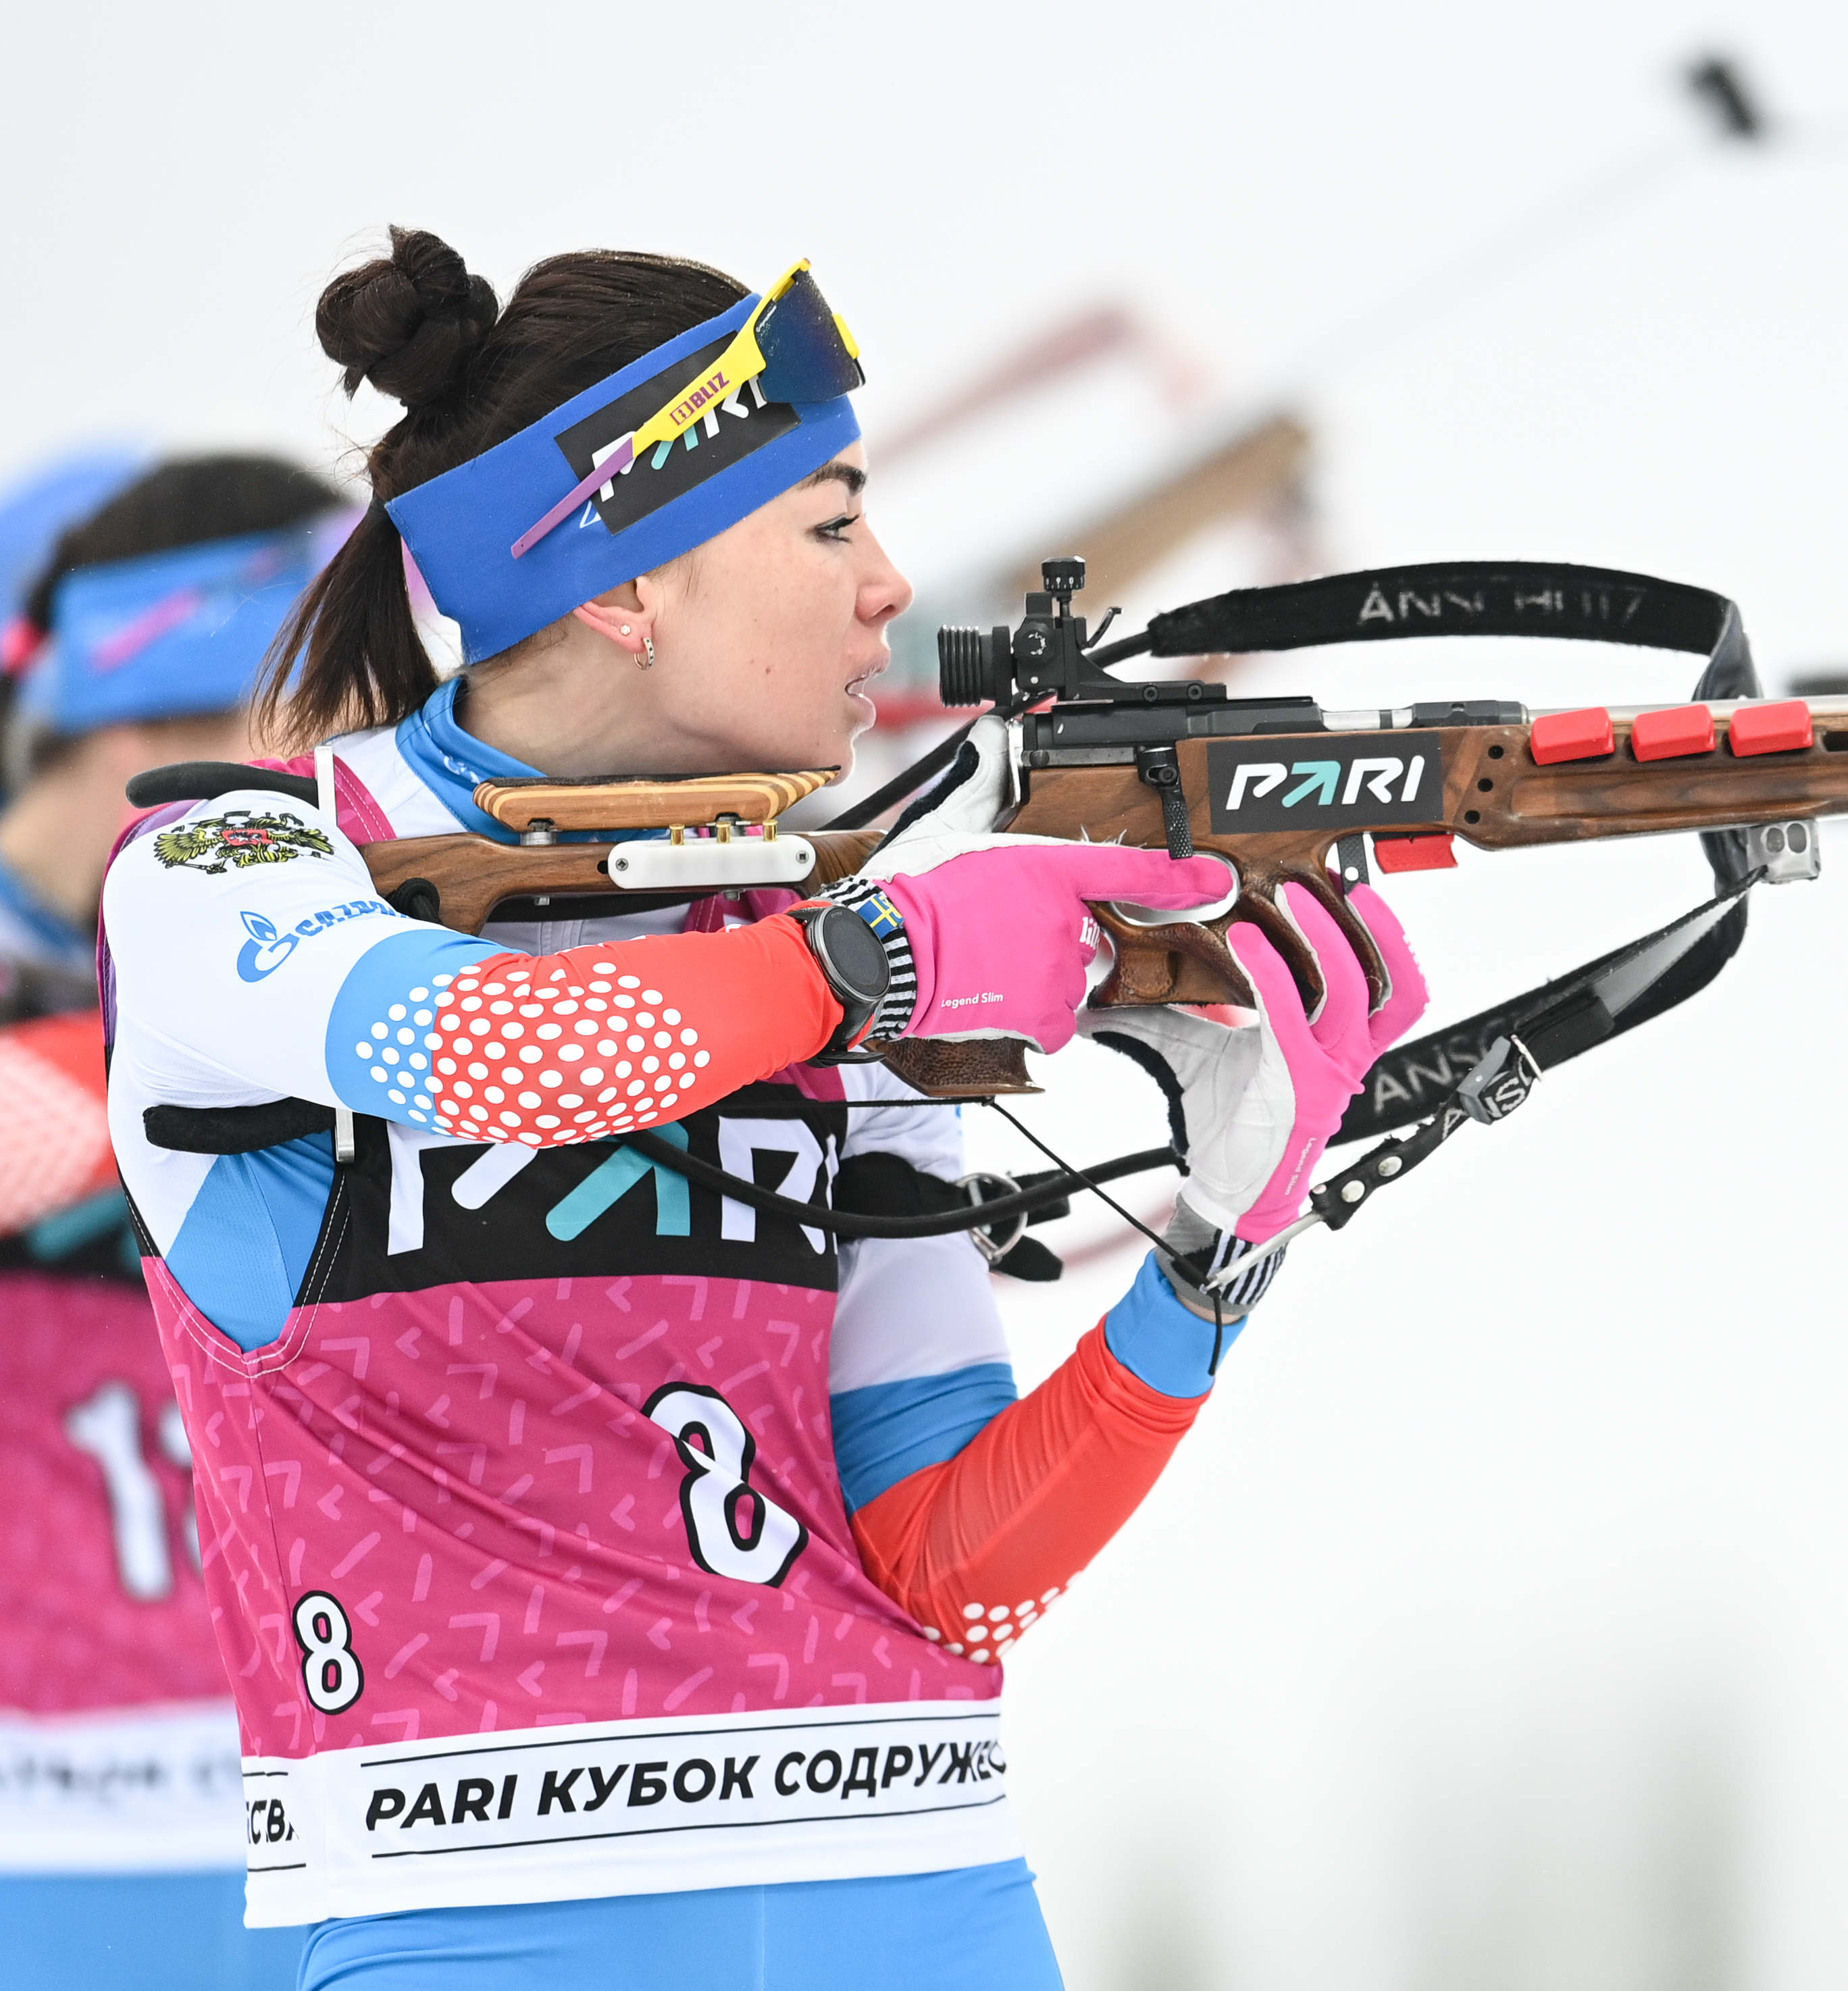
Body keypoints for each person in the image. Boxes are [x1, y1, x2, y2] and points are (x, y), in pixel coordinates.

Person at [94, 229, 1422, 1988]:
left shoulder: (813, 921)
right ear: (623, 588)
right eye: (827, 526)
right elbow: (501, 1048)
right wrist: (887, 955)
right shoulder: (238, 861)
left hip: (926, 1897)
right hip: (466, 1927)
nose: (889, 586)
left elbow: (954, 1575)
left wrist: (1217, 1252)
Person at [3, 450, 351, 1988]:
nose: (343, 803)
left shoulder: (329, 936)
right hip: (48, 1827)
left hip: (324, 1791)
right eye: (313, 743)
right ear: (143, 732)